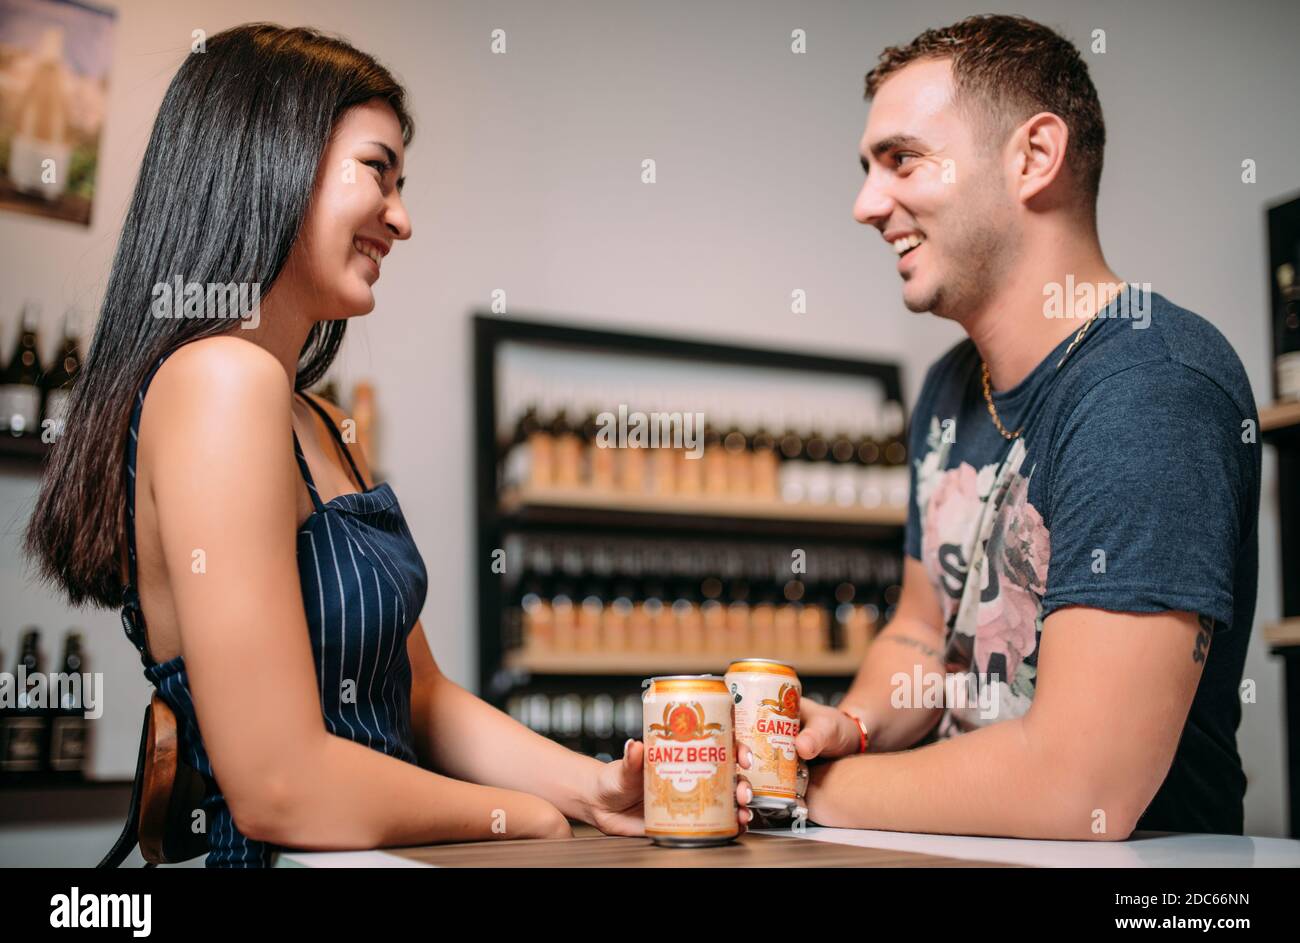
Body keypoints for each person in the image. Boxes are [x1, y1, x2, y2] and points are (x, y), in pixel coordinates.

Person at [24, 23, 751, 867]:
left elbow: (423, 698)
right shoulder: (221, 380)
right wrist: (524, 817)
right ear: (272, 153)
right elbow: (280, 786)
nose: (402, 219)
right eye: (378, 171)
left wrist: (589, 788)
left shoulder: (319, 422)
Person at [795, 14, 1260, 839]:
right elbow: (918, 630)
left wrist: (805, 794)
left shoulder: (1153, 386)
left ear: (1034, 157)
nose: (867, 204)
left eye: (900, 159)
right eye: (867, 168)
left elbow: (1078, 786)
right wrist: (853, 726)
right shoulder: (949, 383)